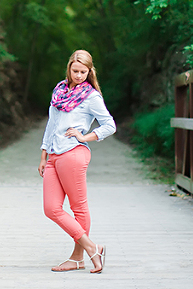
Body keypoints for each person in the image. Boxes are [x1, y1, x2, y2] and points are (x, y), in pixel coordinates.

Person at [38, 49, 116, 274]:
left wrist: (85, 137)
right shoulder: (59, 91)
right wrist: (43, 154)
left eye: (83, 72)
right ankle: (93, 248)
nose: (79, 75)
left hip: (73, 153)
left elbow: (109, 125)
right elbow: (51, 124)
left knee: (78, 207)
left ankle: (78, 257)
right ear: (69, 69)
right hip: (53, 155)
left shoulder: (91, 97)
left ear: (90, 72)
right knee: (51, 208)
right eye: (75, 71)